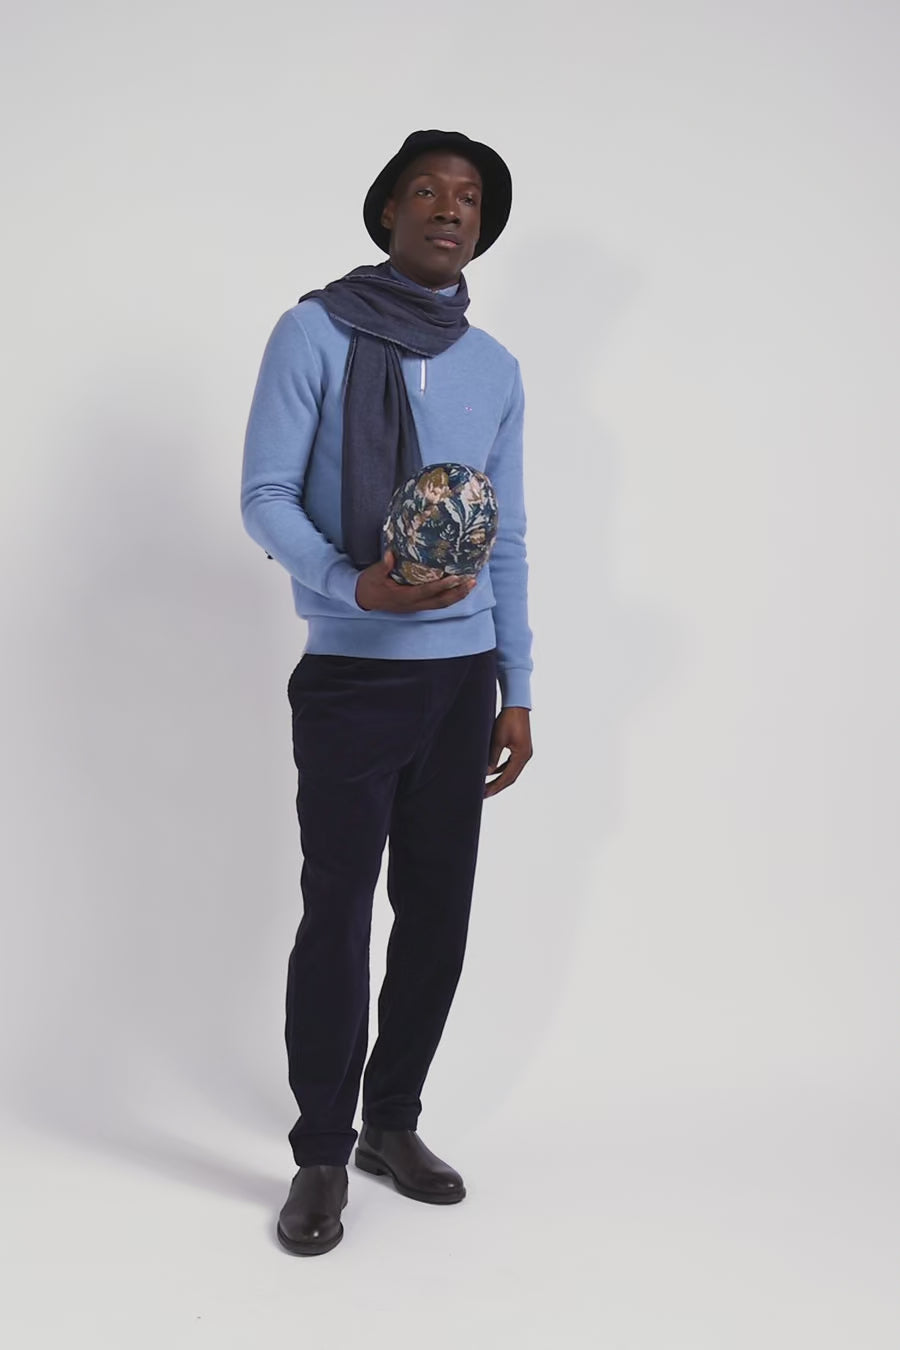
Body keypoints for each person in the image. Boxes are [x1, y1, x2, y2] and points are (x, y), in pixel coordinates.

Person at [241, 129, 534, 1256]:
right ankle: (321, 1150)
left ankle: (392, 1123)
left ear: (480, 229)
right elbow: (266, 493)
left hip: (462, 682)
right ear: (387, 212)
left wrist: (516, 684)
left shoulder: (495, 368)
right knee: (339, 913)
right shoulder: (313, 332)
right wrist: (348, 581)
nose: (448, 209)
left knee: (439, 912)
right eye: (426, 190)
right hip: (353, 680)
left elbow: (509, 538)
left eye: (469, 198)